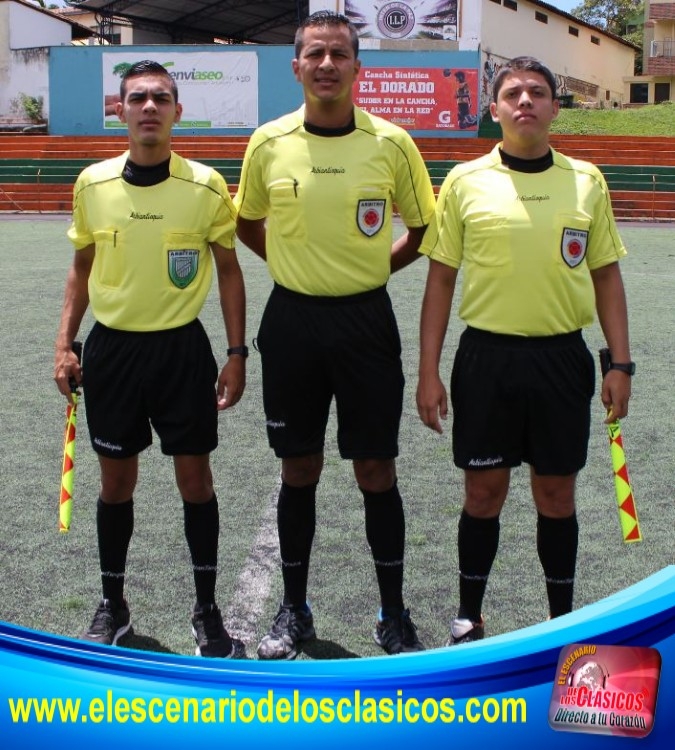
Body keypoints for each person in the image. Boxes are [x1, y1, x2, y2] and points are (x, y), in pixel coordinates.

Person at [235, 11, 435, 659]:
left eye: (339, 54)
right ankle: (293, 609)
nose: (327, 64)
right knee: (299, 466)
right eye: (315, 54)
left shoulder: (392, 143)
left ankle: (393, 613)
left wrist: (371, 270)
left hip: (365, 321)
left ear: (357, 67)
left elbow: (423, 229)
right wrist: (291, 265)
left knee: (375, 467)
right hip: (291, 322)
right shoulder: (268, 142)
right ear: (296, 66)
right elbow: (246, 221)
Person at [416, 56, 633, 645]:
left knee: (556, 495)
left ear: (556, 107)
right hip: (486, 360)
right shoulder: (465, 180)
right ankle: (469, 616)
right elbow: (441, 279)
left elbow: (606, 275)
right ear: (494, 109)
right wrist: (428, 371)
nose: (525, 101)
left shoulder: (586, 180)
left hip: (562, 359)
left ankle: (562, 624)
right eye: (512, 93)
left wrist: (620, 363)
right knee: (483, 493)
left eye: (537, 92)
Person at [53, 60, 247, 658]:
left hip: (181, 350)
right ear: (120, 110)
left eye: (161, 98)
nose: (149, 107)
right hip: (112, 350)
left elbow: (229, 270)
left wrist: (236, 353)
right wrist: (64, 344)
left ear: (177, 112)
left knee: (196, 480)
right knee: (116, 481)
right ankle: (112, 604)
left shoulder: (206, 185)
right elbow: (81, 266)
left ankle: (207, 610)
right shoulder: (92, 184)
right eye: (137, 98)